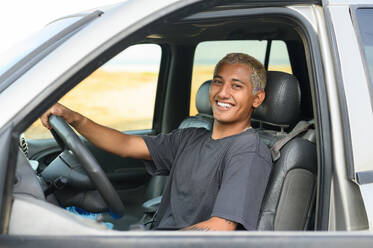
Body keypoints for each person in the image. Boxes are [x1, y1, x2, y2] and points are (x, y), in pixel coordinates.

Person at [41, 53, 272, 231]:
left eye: (236, 86)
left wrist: (153, 242)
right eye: (217, 82)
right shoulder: (190, 137)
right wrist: (74, 118)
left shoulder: (248, 152)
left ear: (257, 98)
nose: (223, 93)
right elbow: (125, 145)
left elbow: (221, 227)